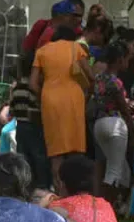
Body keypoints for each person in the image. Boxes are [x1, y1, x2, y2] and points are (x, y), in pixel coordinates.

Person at [31, 22, 93, 188]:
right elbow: (90, 76)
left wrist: (43, 96)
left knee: (56, 152)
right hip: (74, 99)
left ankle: (59, 188)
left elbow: (33, 84)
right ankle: (76, 188)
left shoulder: (42, 51)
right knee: (75, 149)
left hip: (50, 100)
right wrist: (88, 93)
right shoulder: (76, 48)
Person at [92, 43, 134, 209]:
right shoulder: (116, 82)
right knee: (114, 171)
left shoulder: (98, 79)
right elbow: (123, 109)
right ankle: (106, 208)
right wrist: (133, 131)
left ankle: (114, 204)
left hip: (99, 125)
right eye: (126, 59)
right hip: (115, 123)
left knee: (119, 169)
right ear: (119, 60)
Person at [7, 55, 49, 195]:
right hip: (33, 125)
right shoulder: (33, 88)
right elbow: (36, 107)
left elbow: (12, 109)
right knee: (39, 155)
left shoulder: (16, 88)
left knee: (23, 156)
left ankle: (25, 185)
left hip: (20, 125)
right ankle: (42, 185)